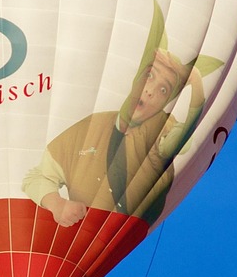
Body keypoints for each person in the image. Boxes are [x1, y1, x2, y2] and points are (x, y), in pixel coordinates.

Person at [23, 48, 200, 226]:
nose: (150, 91)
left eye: (163, 90)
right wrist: (58, 204)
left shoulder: (162, 131)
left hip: (124, 232)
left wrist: (197, 85)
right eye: (149, 76)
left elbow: (183, 137)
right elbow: (37, 177)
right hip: (82, 234)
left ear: (167, 101)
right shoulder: (92, 126)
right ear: (136, 78)